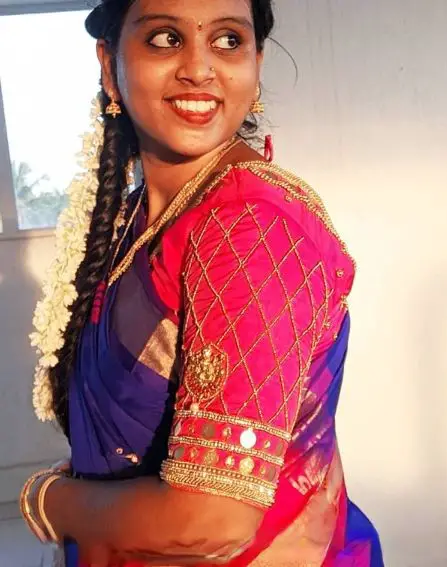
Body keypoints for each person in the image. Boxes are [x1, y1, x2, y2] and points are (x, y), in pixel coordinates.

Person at [20, 0, 384, 565]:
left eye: (228, 40)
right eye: (164, 38)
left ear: (256, 64)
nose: (198, 67)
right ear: (108, 63)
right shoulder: (138, 217)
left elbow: (211, 521)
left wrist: (51, 502)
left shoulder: (249, 226)